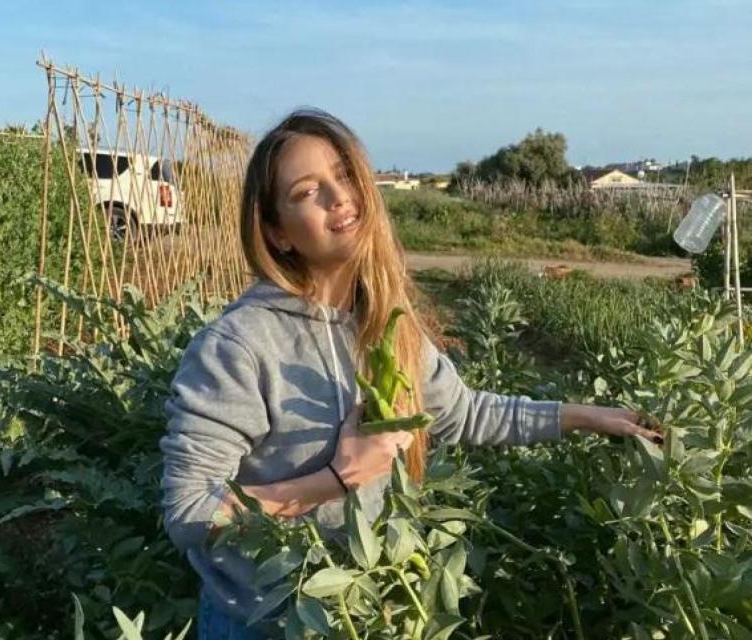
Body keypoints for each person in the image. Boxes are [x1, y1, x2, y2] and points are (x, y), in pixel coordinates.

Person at [160, 108, 663, 639]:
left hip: (366, 609)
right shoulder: (238, 346)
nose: (340, 198)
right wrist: (336, 479)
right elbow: (190, 514)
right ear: (277, 233)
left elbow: (467, 414)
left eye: (344, 174)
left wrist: (587, 416)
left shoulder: (384, 319)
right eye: (307, 192)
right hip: (264, 621)